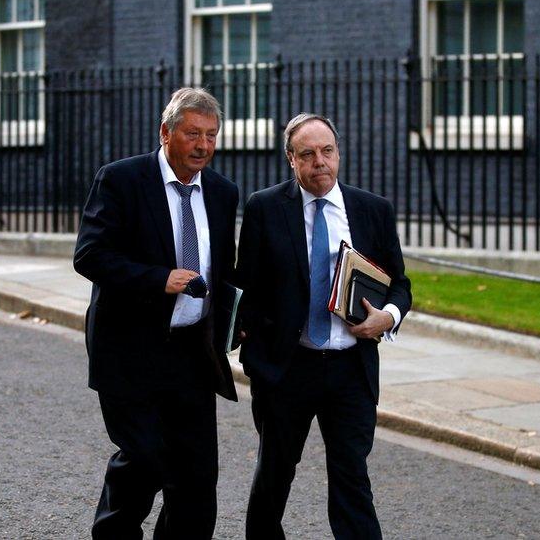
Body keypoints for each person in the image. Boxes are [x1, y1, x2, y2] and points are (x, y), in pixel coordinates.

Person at [73, 87, 239, 539]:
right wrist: (157, 278)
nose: (202, 145)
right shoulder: (121, 180)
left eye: (211, 135)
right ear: (166, 133)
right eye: (192, 134)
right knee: (143, 461)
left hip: (192, 354)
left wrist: (235, 320)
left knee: (196, 480)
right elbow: (89, 256)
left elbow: (224, 270)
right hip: (130, 349)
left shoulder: (223, 193)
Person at [236, 113, 411, 539]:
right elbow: (246, 287)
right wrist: (254, 354)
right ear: (291, 160)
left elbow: (400, 286)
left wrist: (386, 318)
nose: (320, 162)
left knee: (352, 478)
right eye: (308, 154)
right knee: (275, 474)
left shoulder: (373, 210)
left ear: (339, 154)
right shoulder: (264, 207)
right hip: (287, 368)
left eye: (327, 151)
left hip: (351, 370)